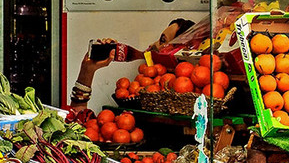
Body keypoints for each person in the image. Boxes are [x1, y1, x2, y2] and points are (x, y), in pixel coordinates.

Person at [66, 17, 196, 109]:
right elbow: (77, 116)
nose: (153, 45)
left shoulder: (191, 99)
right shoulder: (142, 91)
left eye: (162, 41)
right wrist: (87, 70)